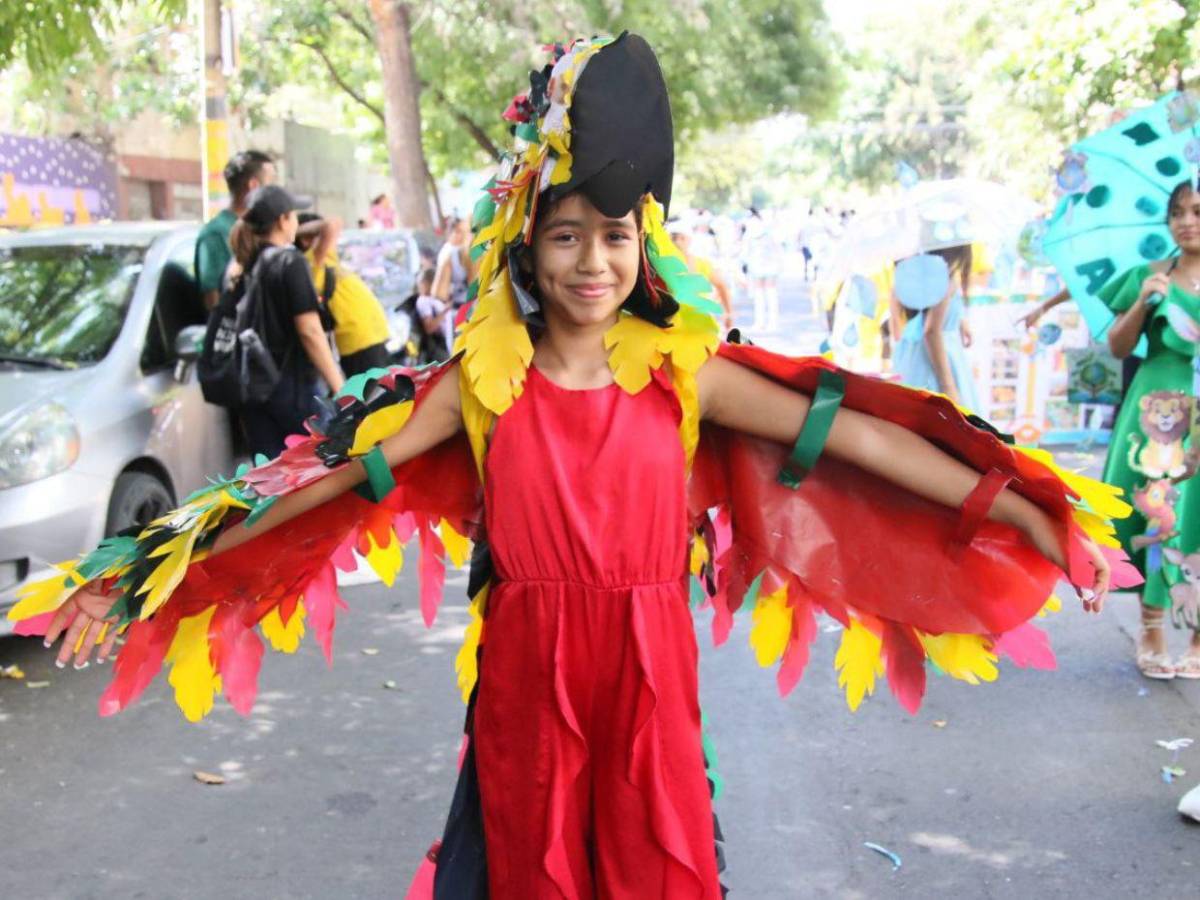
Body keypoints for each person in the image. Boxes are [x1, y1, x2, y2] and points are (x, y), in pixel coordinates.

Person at [19, 34, 1120, 899]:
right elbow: (328, 481)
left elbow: (857, 435)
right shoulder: (482, 385)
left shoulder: (685, 374)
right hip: (528, 683)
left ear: (644, 250)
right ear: (527, 253)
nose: (592, 260)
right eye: (565, 237)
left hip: (649, 678)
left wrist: (1006, 502)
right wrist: (163, 563)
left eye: (614, 236)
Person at [1097, 180, 1200, 680]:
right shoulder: (1149, 275)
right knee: (1160, 509)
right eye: (1177, 212)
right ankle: (1153, 629)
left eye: (1197, 211)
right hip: (1159, 407)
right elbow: (1118, 348)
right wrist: (1142, 301)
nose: (1186, 221)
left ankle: (1198, 636)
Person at [227, 186, 344, 458]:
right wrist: (340, 386)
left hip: (258, 391)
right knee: (321, 474)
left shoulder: (246, 264)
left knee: (273, 483)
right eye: (293, 215)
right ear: (283, 220)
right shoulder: (289, 261)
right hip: (295, 392)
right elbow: (310, 331)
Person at [295, 213, 393, 377]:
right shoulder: (310, 262)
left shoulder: (327, 258)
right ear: (306, 240)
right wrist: (296, 231)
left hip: (372, 337)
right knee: (378, 400)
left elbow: (335, 224)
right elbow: (332, 224)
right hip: (359, 343)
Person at [892, 244, 981, 412]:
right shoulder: (946, 279)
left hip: (920, 357)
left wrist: (959, 321)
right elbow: (932, 332)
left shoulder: (922, 273)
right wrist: (948, 387)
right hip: (938, 360)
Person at [195, 150, 275, 312]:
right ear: (254, 185)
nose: (275, 191)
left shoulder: (265, 227)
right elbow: (214, 299)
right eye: (271, 182)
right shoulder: (216, 234)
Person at [668, 219, 734, 330]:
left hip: (699, 324)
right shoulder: (660, 264)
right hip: (671, 324)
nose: (677, 242)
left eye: (682, 238)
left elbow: (722, 286)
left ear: (689, 240)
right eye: (674, 238)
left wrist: (728, 313)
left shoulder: (702, 264)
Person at [412, 267, 453, 362]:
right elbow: (429, 327)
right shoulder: (423, 301)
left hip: (446, 346)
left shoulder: (434, 299)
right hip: (438, 350)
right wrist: (446, 310)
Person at [433, 215, 472, 309]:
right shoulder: (451, 252)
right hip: (463, 304)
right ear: (450, 233)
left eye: (465, 232)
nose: (463, 235)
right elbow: (440, 293)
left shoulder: (449, 250)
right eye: (459, 231)